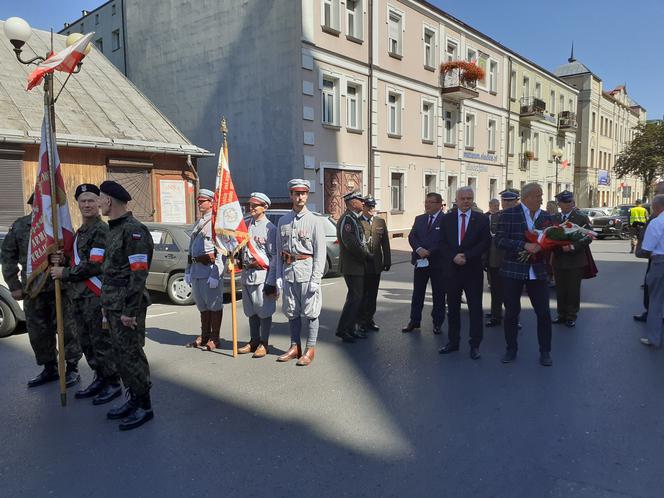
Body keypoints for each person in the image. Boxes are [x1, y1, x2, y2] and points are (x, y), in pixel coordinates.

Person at [50, 184, 121, 405]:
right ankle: (99, 377)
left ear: (99, 203)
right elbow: (77, 259)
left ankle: (112, 383)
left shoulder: (101, 230)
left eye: (91, 200)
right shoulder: (81, 232)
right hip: (79, 296)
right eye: (83, 201)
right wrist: (63, 261)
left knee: (101, 342)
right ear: (77, 204)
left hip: (95, 296)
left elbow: (94, 266)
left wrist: (65, 272)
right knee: (87, 341)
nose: (87, 205)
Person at [1, 194, 82, 388]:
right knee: (38, 333)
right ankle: (50, 368)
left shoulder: (60, 228)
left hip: (60, 288)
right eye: (38, 205)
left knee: (67, 330)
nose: (42, 209)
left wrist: (63, 260)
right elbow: (7, 256)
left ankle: (72, 368)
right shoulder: (20, 226)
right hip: (32, 291)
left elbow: (75, 256)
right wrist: (14, 286)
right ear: (32, 206)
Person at [99, 181, 155, 431]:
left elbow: (138, 274)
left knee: (131, 355)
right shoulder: (114, 229)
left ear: (109, 201)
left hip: (126, 306)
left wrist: (129, 311)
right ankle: (132, 398)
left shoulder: (134, 231)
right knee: (121, 356)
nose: (99, 203)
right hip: (112, 303)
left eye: (100, 198)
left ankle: (144, 405)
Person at [495, 182, 554, 366]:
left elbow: (552, 239)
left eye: (541, 195)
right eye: (538, 195)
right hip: (513, 270)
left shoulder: (547, 217)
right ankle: (511, 349)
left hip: (537, 272)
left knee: (544, 313)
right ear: (527, 197)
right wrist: (523, 245)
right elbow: (500, 240)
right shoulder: (508, 214)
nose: (541, 198)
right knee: (512, 313)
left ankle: (545, 351)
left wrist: (548, 245)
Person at [275, 179, 326, 366]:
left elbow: (320, 253)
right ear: (291, 195)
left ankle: (309, 348)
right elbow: (279, 252)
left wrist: (316, 278)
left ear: (307, 195)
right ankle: (294, 346)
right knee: (291, 311)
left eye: (303, 193)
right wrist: (278, 275)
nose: (300, 197)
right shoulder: (283, 221)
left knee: (311, 312)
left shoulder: (314, 221)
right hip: (289, 272)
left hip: (307, 272)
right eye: (296, 193)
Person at [439, 187, 491, 359]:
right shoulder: (447, 219)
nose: (466, 201)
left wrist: (466, 256)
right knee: (452, 308)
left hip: (472, 271)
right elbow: (442, 243)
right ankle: (453, 342)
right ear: (456, 199)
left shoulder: (482, 219)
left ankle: (475, 345)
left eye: (469, 198)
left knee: (475, 309)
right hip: (452, 271)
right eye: (463, 198)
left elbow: (485, 243)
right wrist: (453, 256)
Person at [237, 192, 278, 358]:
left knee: (264, 311)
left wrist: (272, 280)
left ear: (265, 207)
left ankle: (264, 342)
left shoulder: (270, 229)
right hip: (247, 274)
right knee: (250, 311)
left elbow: (274, 256)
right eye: (250, 205)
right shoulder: (246, 225)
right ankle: (254, 340)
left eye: (255, 205)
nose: (251, 208)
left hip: (262, 275)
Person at [184, 189, 225, 351]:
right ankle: (204, 335)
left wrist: (216, 273)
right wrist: (187, 270)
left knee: (214, 305)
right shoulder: (199, 222)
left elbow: (221, 250)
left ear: (211, 203)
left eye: (203, 201)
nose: (199, 204)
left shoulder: (216, 223)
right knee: (202, 305)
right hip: (196, 270)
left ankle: (215, 338)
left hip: (210, 270)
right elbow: (190, 249)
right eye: (199, 201)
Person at [402, 192, 446, 334]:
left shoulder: (446, 220)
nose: (427, 205)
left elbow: (445, 241)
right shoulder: (420, 219)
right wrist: (419, 249)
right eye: (426, 202)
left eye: (431, 202)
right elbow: (412, 236)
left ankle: (437, 322)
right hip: (421, 261)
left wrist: (430, 251)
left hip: (438, 263)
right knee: (418, 293)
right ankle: (414, 321)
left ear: (439, 204)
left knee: (438, 294)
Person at [551, 191, 593, 328]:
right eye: (564, 202)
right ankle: (561, 313)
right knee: (560, 288)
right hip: (558, 258)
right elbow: (549, 234)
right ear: (560, 204)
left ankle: (571, 315)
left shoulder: (581, 218)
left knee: (573, 289)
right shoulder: (555, 217)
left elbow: (589, 236)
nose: (567, 204)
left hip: (575, 259)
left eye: (569, 202)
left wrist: (573, 246)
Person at [335, 191, 372, 343]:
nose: (363, 203)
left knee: (355, 298)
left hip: (356, 264)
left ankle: (349, 328)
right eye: (360, 200)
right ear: (351, 202)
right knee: (354, 298)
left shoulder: (352, 218)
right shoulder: (348, 219)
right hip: (353, 265)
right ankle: (343, 330)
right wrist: (366, 255)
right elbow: (351, 243)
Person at [486, 189, 520, 328]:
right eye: (504, 201)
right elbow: (488, 239)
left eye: (510, 201)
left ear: (516, 201)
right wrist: (485, 259)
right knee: (496, 290)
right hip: (495, 260)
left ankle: (514, 318)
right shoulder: (494, 217)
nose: (506, 203)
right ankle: (496, 315)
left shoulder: (521, 217)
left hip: (513, 259)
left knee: (512, 292)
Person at [358, 196, 391, 333]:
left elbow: (385, 243)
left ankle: (369, 319)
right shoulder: (357, 222)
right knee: (361, 295)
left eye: (373, 206)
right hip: (362, 265)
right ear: (363, 207)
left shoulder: (380, 222)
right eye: (369, 207)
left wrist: (387, 260)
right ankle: (360, 321)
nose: (372, 209)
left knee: (372, 295)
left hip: (376, 265)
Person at [634, 182, 664, 322]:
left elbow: (651, 240)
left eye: (656, 191)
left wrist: (642, 251)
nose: (654, 193)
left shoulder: (658, 216)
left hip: (656, 257)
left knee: (652, 288)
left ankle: (652, 315)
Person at [637, 194, 664, 348]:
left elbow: (647, 249)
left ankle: (654, 338)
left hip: (660, 263)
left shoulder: (657, 222)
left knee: (656, 302)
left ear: (656, 207)